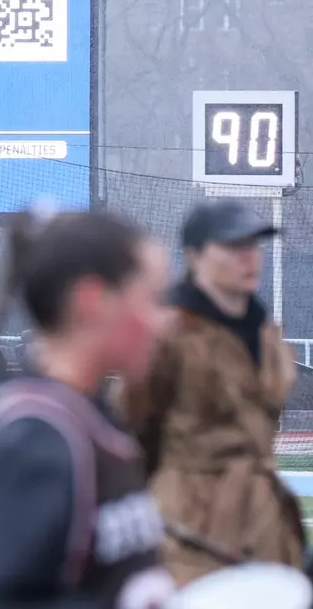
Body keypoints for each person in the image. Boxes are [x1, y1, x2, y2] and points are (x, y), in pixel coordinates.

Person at [0, 209, 174, 609]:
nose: (164, 322)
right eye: (152, 298)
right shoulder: (36, 441)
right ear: (92, 301)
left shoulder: (94, 420)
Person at [117, 199, 305, 586]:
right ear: (194, 255)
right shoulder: (164, 335)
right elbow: (132, 429)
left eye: (253, 247)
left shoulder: (267, 335)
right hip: (187, 537)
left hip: (267, 531)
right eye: (234, 247)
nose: (248, 258)